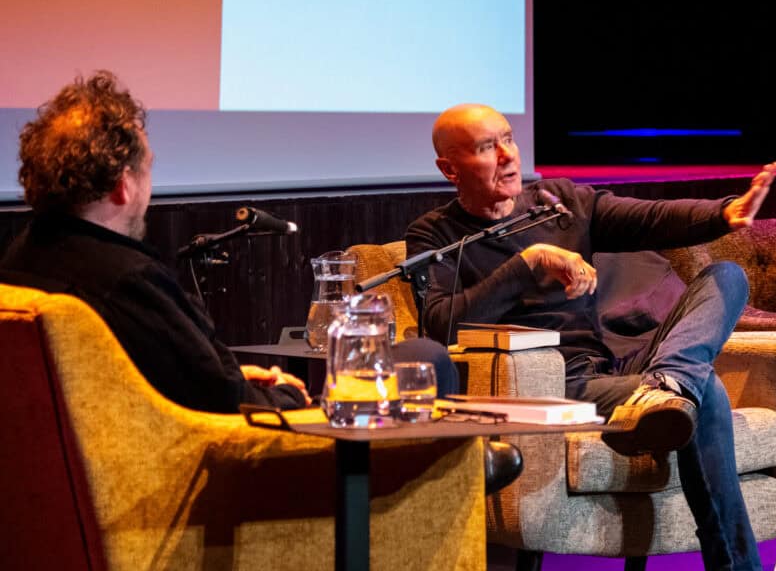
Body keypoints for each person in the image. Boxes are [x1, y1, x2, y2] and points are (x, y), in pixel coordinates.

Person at [405, 102, 776, 571]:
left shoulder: (557, 201)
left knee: (725, 277)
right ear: (449, 168)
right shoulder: (436, 236)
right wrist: (529, 262)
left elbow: (648, 216)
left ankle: (667, 381)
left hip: (615, 369)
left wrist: (724, 211)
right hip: (555, 388)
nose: (509, 155)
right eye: (487, 147)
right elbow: (441, 324)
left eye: (508, 139)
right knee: (703, 393)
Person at [0, 71, 457, 414]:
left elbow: (174, 376)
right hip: (218, 473)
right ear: (123, 186)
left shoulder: (20, 261)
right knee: (426, 359)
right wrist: (283, 395)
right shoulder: (127, 280)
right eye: (149, 169)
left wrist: (236, 374)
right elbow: (223, 402)